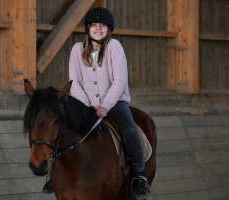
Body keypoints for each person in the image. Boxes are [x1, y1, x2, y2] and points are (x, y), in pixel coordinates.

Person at [42, 7, 151, 199]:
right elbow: (74, 82)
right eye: (94, 25)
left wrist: (105, 106)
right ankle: (54, 174)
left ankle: (140, 175)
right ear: (88, 28)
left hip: (114, 102)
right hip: (85, 105)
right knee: (63, 128)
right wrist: (87, 107)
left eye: (102, 26)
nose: (98, 29)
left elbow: (119, 81)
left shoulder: (114, 47)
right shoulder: (77, 50)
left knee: (128, 128)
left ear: (109, 29)